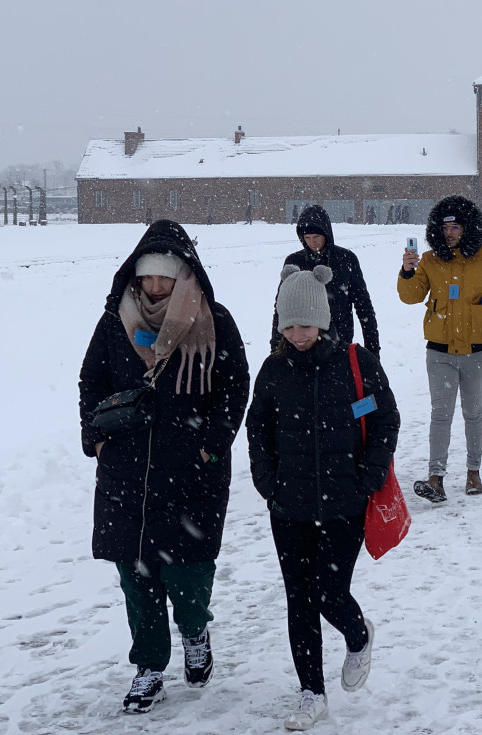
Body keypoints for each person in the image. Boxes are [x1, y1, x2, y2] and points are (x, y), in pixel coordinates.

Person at [78, 220, 250, 714]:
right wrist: (97, 439)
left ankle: (195, 633)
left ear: (184, 274)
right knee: (138, 581)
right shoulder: (115, 321)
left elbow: (233, 386)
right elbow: (91, 380)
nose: (154, 286)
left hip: (191, 474)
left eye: (164, 277)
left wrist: (211, 447)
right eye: (147, 276)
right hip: (126, 474)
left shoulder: (214, 319)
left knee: (188, 579)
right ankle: (149, 666)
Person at [247, 265, 401, 731]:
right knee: (299, 599)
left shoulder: (356, 364)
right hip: (288, 508)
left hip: (344, 506)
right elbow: (258, 429)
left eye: (305, 325)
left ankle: (357, 634)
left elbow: (384, 419)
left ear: (323, 320)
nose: (297, 335)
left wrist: (369, 476)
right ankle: (311, 692)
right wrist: (267, 481)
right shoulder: (273, 371)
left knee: (329, 593)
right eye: (288, 326)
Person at [398, 195, 482, 502]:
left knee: (472, 411)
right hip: (439, 351)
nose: (449, 233)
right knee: (440, 413)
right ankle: (436, 477)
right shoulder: (429, 261)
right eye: (445, 227)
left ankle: (473, 471)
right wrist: (408, 272)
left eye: (455, 227)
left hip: (478, 351)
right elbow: (411, 297)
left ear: (468, 228)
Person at [271, 204, 380, 356]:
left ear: (326, 234)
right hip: (301, 342)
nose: (312, 242)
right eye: (307, 238)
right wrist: (276, 350)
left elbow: (363, 306)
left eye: (316, 237)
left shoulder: (346, 259)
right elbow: (281, 308)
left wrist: (373, 350)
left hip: (339, 342)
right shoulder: (295, 261)